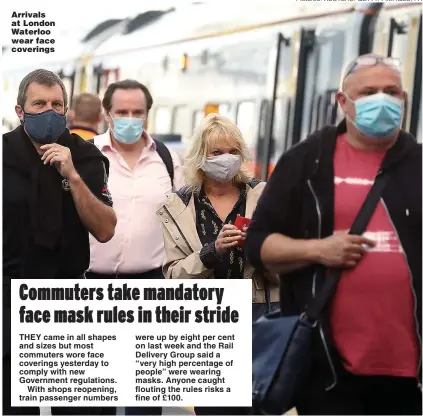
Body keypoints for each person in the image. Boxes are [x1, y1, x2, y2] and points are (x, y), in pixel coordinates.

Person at [245, 54, 422, 415]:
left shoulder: (418, 162)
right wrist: (318, 250)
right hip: (327, 367)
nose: (382, 100)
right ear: (343, 101)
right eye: (369, 92)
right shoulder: (307, 161)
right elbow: (258, 244)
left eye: (391, 91)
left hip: (411, 373)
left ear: (404, 99)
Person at [3, 69, 117, 416]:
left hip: (66, 299)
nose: (49, 111)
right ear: (21, 111)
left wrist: (73, 178)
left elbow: (105, 229)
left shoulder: (85, 158)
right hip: (11, 297)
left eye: (57, 105)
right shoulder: (3, 156)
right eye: (39, 104)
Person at [157, 113, 280, 415]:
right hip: (209, 319)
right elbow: (173, 276)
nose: (227, 159)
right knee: (215, 409)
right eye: (216, 152)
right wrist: (211, 253)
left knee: (260, 404)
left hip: (259, 313)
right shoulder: (177, 206)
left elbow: (287, 268)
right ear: (201, 156)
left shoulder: (267, 197)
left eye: (233, 151)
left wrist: (261, 247)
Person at [86, 79, 183, 416]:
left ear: (147, 115)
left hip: (150, 286)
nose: (129, 119)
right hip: (89, 287)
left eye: (137, 112)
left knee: (145, 400)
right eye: (122, 112)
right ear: (107, 114)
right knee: (93, 398)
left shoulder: (167, 160)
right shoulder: (85, 154)